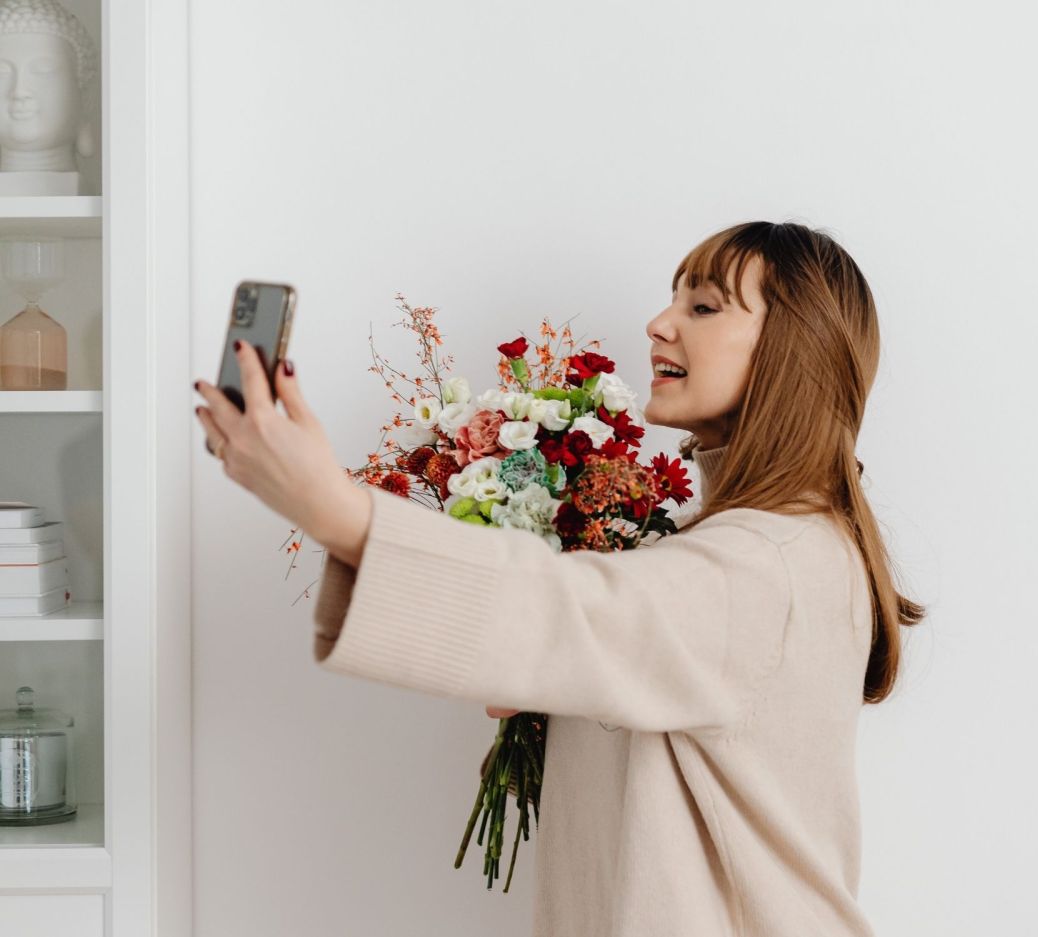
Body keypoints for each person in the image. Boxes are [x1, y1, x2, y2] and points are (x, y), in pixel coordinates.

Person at [193, 220, 926, 936]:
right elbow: (613, 640)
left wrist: (333, 507)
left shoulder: (769, 560)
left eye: (703, 306)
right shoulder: (779, 542)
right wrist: (564, 687)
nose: (660, 324)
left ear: (793, 349)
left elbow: (572, 610)